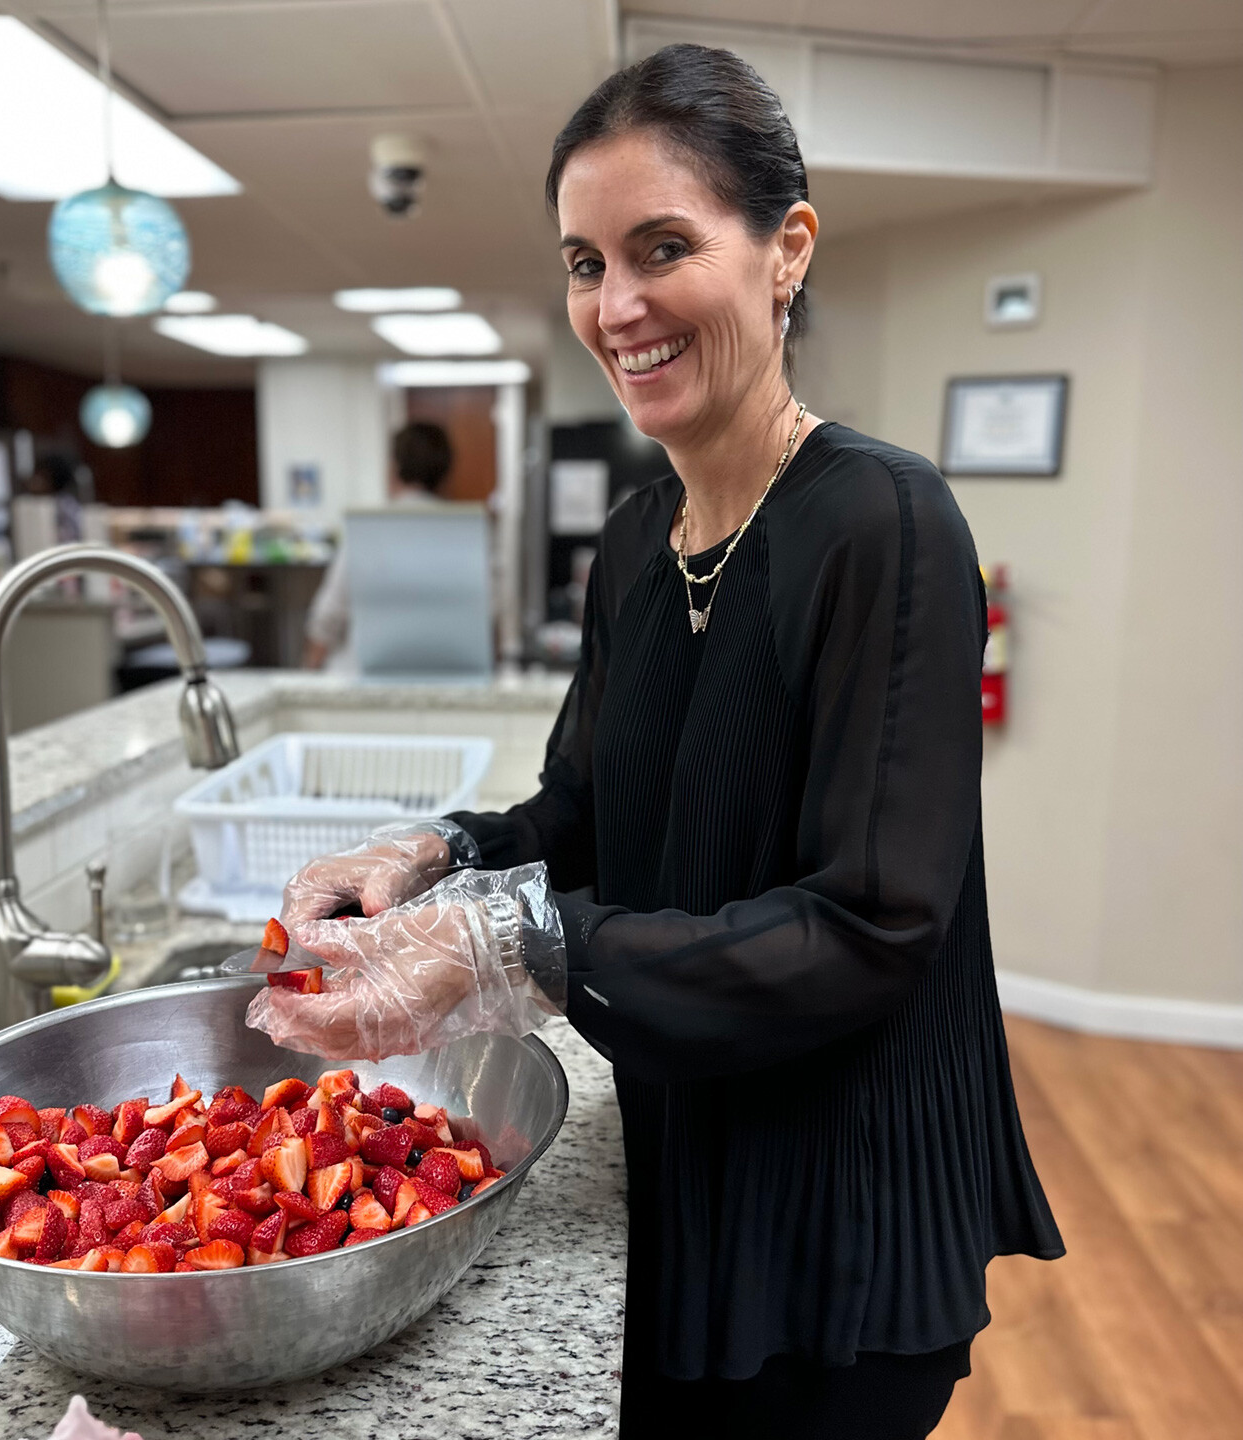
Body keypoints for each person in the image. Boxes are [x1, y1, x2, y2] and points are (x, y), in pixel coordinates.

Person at [255, 43, 1063, 1439]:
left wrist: (519, 945)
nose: (616, 306)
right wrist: (441, 857)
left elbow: (872, 923)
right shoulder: (635, 540)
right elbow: (585, 805)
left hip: (837, 1207)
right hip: (683, 1137)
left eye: (662, 247)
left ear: (785, 250)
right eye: (584, 263)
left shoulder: (884, 522)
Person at [302, 420, 454, 669]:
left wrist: (308, 674)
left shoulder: (367, 529)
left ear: (393, 469)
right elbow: (490, 621)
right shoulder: (468, 534)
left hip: (364, 682)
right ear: (445, 473)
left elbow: (327, 619)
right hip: (443, 679)